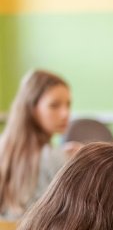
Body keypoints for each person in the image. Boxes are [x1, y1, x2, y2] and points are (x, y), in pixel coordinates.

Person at [0, 69, 78, 220]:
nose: (65, 114)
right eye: (54, 105)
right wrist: (82, 163)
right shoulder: (55, 158)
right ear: (32, 108)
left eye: (68, 105)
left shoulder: (3, 148)